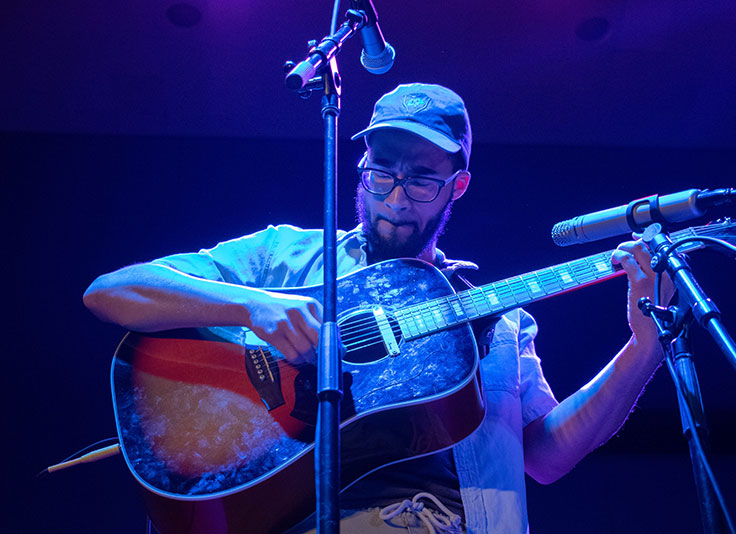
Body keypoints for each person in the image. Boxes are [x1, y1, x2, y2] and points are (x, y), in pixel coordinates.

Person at [84, 83, 668, 534]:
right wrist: (253, 307)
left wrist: (644, 348)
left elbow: (545, 456)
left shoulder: (499, 322)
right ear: (359, 162)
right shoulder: (287, 256)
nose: (393, 197)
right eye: (381, 172)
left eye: (420, 182)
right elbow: (112, 291)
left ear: (457, 186)